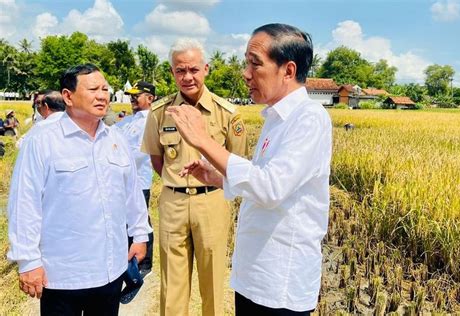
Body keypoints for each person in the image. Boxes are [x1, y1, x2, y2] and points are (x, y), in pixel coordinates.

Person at [167, 23, 332, 315]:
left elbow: (271, 189)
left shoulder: (309, 118)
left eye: (255, 64)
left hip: (281, 281)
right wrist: (219, 178)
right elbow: (260, 181)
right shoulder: (275, 118)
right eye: (246, 63)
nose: (246, 73)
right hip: (255, 275)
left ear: (288, 71)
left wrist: (203, 141)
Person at [7, 63, 152, 316]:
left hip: (110, 268)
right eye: (93, 89)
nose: (102, 95)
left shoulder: (116, 139)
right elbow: (24, 203)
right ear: (68, 96)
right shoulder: (43, 140)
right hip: (63, 274)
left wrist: (140, 235)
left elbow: (131, 193)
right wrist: (28, 260)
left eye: (105, 89)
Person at [141, 38, 248, 316]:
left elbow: (237, 165)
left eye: (194, 70)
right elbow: (157, 159)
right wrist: (178, 182)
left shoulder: (227, 114)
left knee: (213, 280)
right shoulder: (159, 113)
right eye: (180, 70)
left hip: (212, 202)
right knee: (172, 284)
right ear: (172, 72)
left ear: (206, 69)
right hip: (173, 202)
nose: (187, 77)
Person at [116, 81, 156, 279]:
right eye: (131, 95)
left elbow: (140, 152)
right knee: (124, 221)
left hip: (139, 181)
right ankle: (128, 259)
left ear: (150, 98)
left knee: (140, 220)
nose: (132, 98)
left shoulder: (151, 121)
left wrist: (116, 160)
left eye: (136, 95)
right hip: (120, 181)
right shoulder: (127, 121)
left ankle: (145, 262)